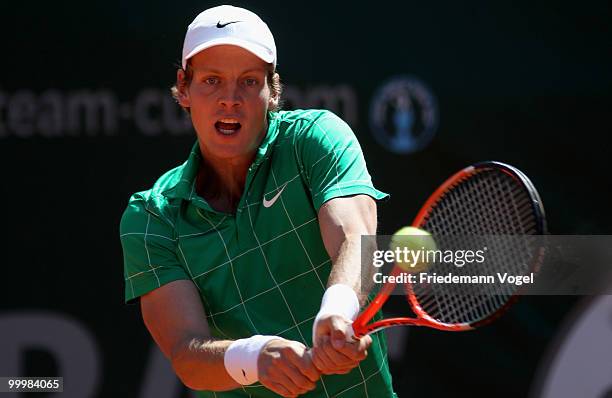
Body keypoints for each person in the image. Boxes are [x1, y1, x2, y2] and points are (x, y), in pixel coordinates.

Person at [120, 5, 396, 397]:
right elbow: (187, 355)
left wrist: (337, 311)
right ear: (184, 87)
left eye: (249, 82)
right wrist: (255, 357)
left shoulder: (315, 140)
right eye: (212, 80)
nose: (230, 99)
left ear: (273, 91)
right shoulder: (152, 216)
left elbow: (357, 239)